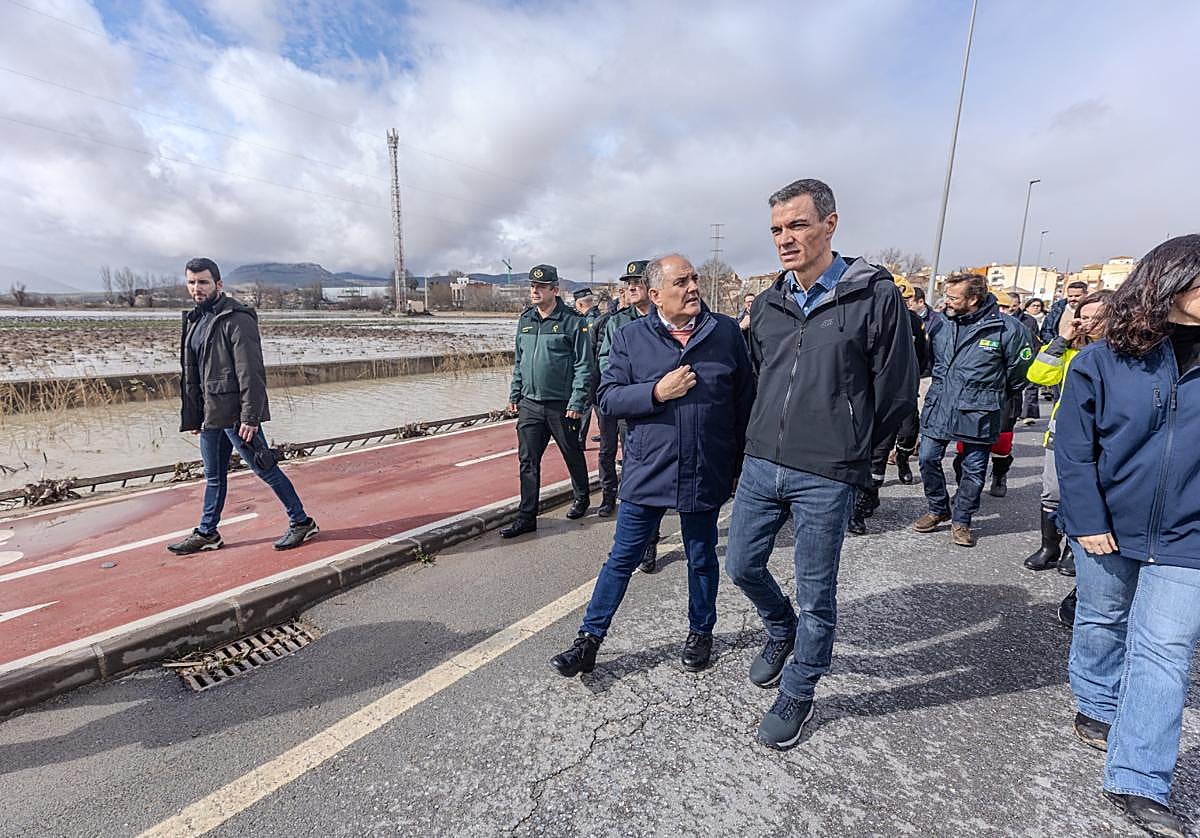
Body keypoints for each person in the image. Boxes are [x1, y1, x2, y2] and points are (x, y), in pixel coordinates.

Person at [725, 178, 918, 750]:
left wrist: (858, 455)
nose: (785, 239)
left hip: (827, 471)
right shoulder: (768, 303)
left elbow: (896, 387)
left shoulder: (873, 294)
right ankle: (779, 627)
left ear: (830, 225)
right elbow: (759, 378)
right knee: (741, 565)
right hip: (762, 461)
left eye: (798, 225)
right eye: (777, 230)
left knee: (816, 591)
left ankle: (800, 687)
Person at [1055, 235, 1200, 838]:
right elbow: (1074, 449)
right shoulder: (1102, 360)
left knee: (1165, 649)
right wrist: (1087, 520)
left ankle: (1138, 779)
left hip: (1190, 537)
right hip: (1107, 526)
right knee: (1102, 619)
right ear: (1168, 281)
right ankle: (1096, 702)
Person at [550, 254, 755, 678]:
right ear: (657, 294)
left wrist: (738, 464)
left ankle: (701, 632)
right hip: (650, 466)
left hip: (705, 465)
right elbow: (608, 398)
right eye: (682, 282)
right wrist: (656, 392)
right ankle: (588, 640)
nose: (693, 287)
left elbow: (745, 402)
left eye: (694, 278)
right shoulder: (630, 336)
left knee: (701, 556)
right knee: (621, 558)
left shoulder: (725, 332)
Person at [167, 258, 318, 555]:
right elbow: (194, 373)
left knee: (265, 468)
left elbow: (250, 372)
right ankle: (208, 533)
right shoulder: (195, 320)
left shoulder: (237, 318)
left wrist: (250, 416)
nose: (197, 288)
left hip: (236, 414)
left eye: (203, 282)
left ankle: (301, 522)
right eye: (192, 282)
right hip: (212, 414)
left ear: (218, 284)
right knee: (213, 476)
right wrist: (195, 414)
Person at [911, 273, 1031, 547]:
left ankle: (962, 520)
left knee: (974, 470)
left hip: (980, 410)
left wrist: (992, 394)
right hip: (941, 404)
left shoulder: (1007, 329)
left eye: (953, 297)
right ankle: (938, 508)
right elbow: (932, 360)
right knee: (927, 458)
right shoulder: (941, 323)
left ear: (973, 299)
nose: (946, 302)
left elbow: (1019, 374)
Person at [1022, 291, 1112, 575]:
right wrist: (1062, 340)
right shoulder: (1070, 348)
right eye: (1083, 317)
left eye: (1096, 317)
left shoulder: (1121, 352)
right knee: (1053, 492)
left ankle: (1073, 551)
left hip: (1101, 435)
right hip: (1062, 431)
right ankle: (1049, 547)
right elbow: (1038, 376)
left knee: (1085, 494)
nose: (1088, 323)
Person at [499, 265, 592, 538]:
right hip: (530, 404)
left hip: (561, 404)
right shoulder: (526, 320)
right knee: (527, 461)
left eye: (541, 287)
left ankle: (582, 497)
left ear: (555, 290)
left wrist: (577, 401)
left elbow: (584, 365)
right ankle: (527, 517)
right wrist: (515, 394)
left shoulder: (573, 321)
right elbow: (520, 361)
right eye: (532, 286)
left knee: (571, 453)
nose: (535, 291)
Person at [596, 261, 662, 570]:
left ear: (652, 287)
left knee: (652, 473)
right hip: (628, 404)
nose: (631, 286)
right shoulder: (617, 322)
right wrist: (624, 386)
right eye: (628, 282)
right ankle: (640, 542)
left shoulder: (666, 318)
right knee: (633, 470)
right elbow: (605, 359)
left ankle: (651, 541)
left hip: (659, 406)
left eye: (637, 281)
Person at [849, 276, 928, 533]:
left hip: (896, 393)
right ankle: (860, 502)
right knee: (865, 450)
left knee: (897, 439)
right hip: (863, 394)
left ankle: (869, 495)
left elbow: (923, 357)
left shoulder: (913, 322)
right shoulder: (860, 315)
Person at [573, 288, 601, 449]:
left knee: (585, 403)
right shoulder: (599, 316)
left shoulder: (589, 321)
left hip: (592, 369)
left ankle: (579, 439)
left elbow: (588, 348)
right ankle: (607, 433)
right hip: (600, 368)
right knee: (597, 404)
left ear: (580, 304)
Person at [1017, 297, 1047, 424]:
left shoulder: (1042, 319)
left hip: (1034, 352)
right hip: (1019, 353)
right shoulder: (1021, 319)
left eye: (1038, 306)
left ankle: (1028, 413)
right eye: (1033, 305)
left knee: (1032, 384)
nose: (1036, 308)